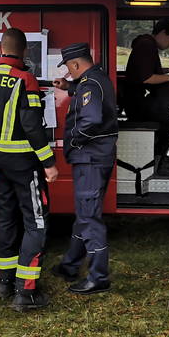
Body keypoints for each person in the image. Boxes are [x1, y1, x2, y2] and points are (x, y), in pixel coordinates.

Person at [0, 27, 59, 312]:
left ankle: (5, 282)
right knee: (36, 222)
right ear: (24, 50)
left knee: (6, 218)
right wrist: (48, 162)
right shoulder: (25, 79)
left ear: (0, 49)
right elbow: (33, 125)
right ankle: (26, 292)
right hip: (23, 162)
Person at [51, 43, 118, 294]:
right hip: (96, 157)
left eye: (69, 68)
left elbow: (91, 119)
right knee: (84, 212)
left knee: (89, 217)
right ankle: (70, 265)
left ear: (76, 64)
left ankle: (99, 277)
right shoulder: (96, 78)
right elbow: (88, 96)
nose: (68, 72)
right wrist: (69, 87)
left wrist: (74, 141)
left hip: (90, 158)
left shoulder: (90, 84)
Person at [123, 19, 169, 177]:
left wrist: (162, 70)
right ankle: (167, 162)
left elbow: (145, 71)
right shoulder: (146, 45)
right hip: (141, 104)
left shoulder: (146, 45)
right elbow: (146, 78)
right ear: (163, 33)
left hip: (143, 101)